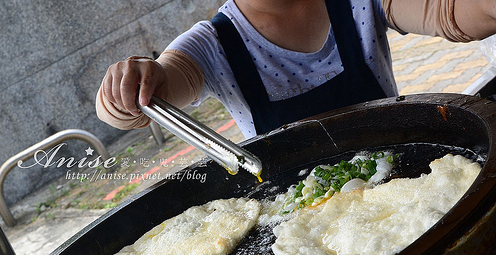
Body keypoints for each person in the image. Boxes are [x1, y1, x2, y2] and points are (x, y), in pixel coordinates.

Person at [96, 0, 496, 138]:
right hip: (301, 229)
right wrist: (127, 92)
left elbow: (449, 13)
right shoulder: (212, 43)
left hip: (401, 188)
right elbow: (163, 84)